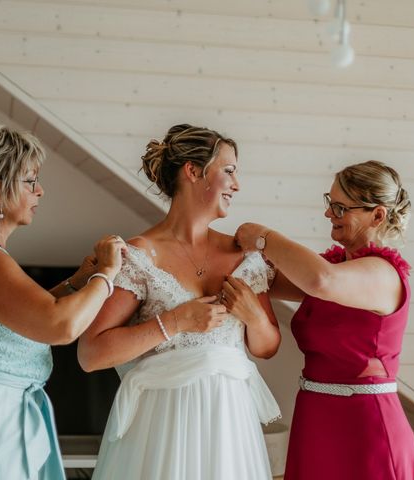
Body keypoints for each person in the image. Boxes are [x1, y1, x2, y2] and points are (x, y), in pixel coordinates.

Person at [0, 124, 126, 480]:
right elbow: (60, 326)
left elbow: (16, 319)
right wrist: (106, 273)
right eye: (30, 181)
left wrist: (76, 283)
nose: (40, 191)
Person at [77, 124, 282, 480]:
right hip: (161, 430)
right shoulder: (141, 255)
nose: (237, 184)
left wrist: (255, 319)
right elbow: (91, 353)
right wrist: (175, 322)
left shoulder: (244, 256)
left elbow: (266, 349)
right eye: (229, 171)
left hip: (230, 428)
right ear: (192, 171)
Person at [233, 160, 414, 480]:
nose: (328, 214)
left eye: (340, 207)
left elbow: (321, 281)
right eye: (329, 202)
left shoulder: (383, 275)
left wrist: (264, 236)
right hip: (315, 418)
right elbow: (269, 278)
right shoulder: (333, 268)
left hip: (365, 428)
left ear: (378, 215)